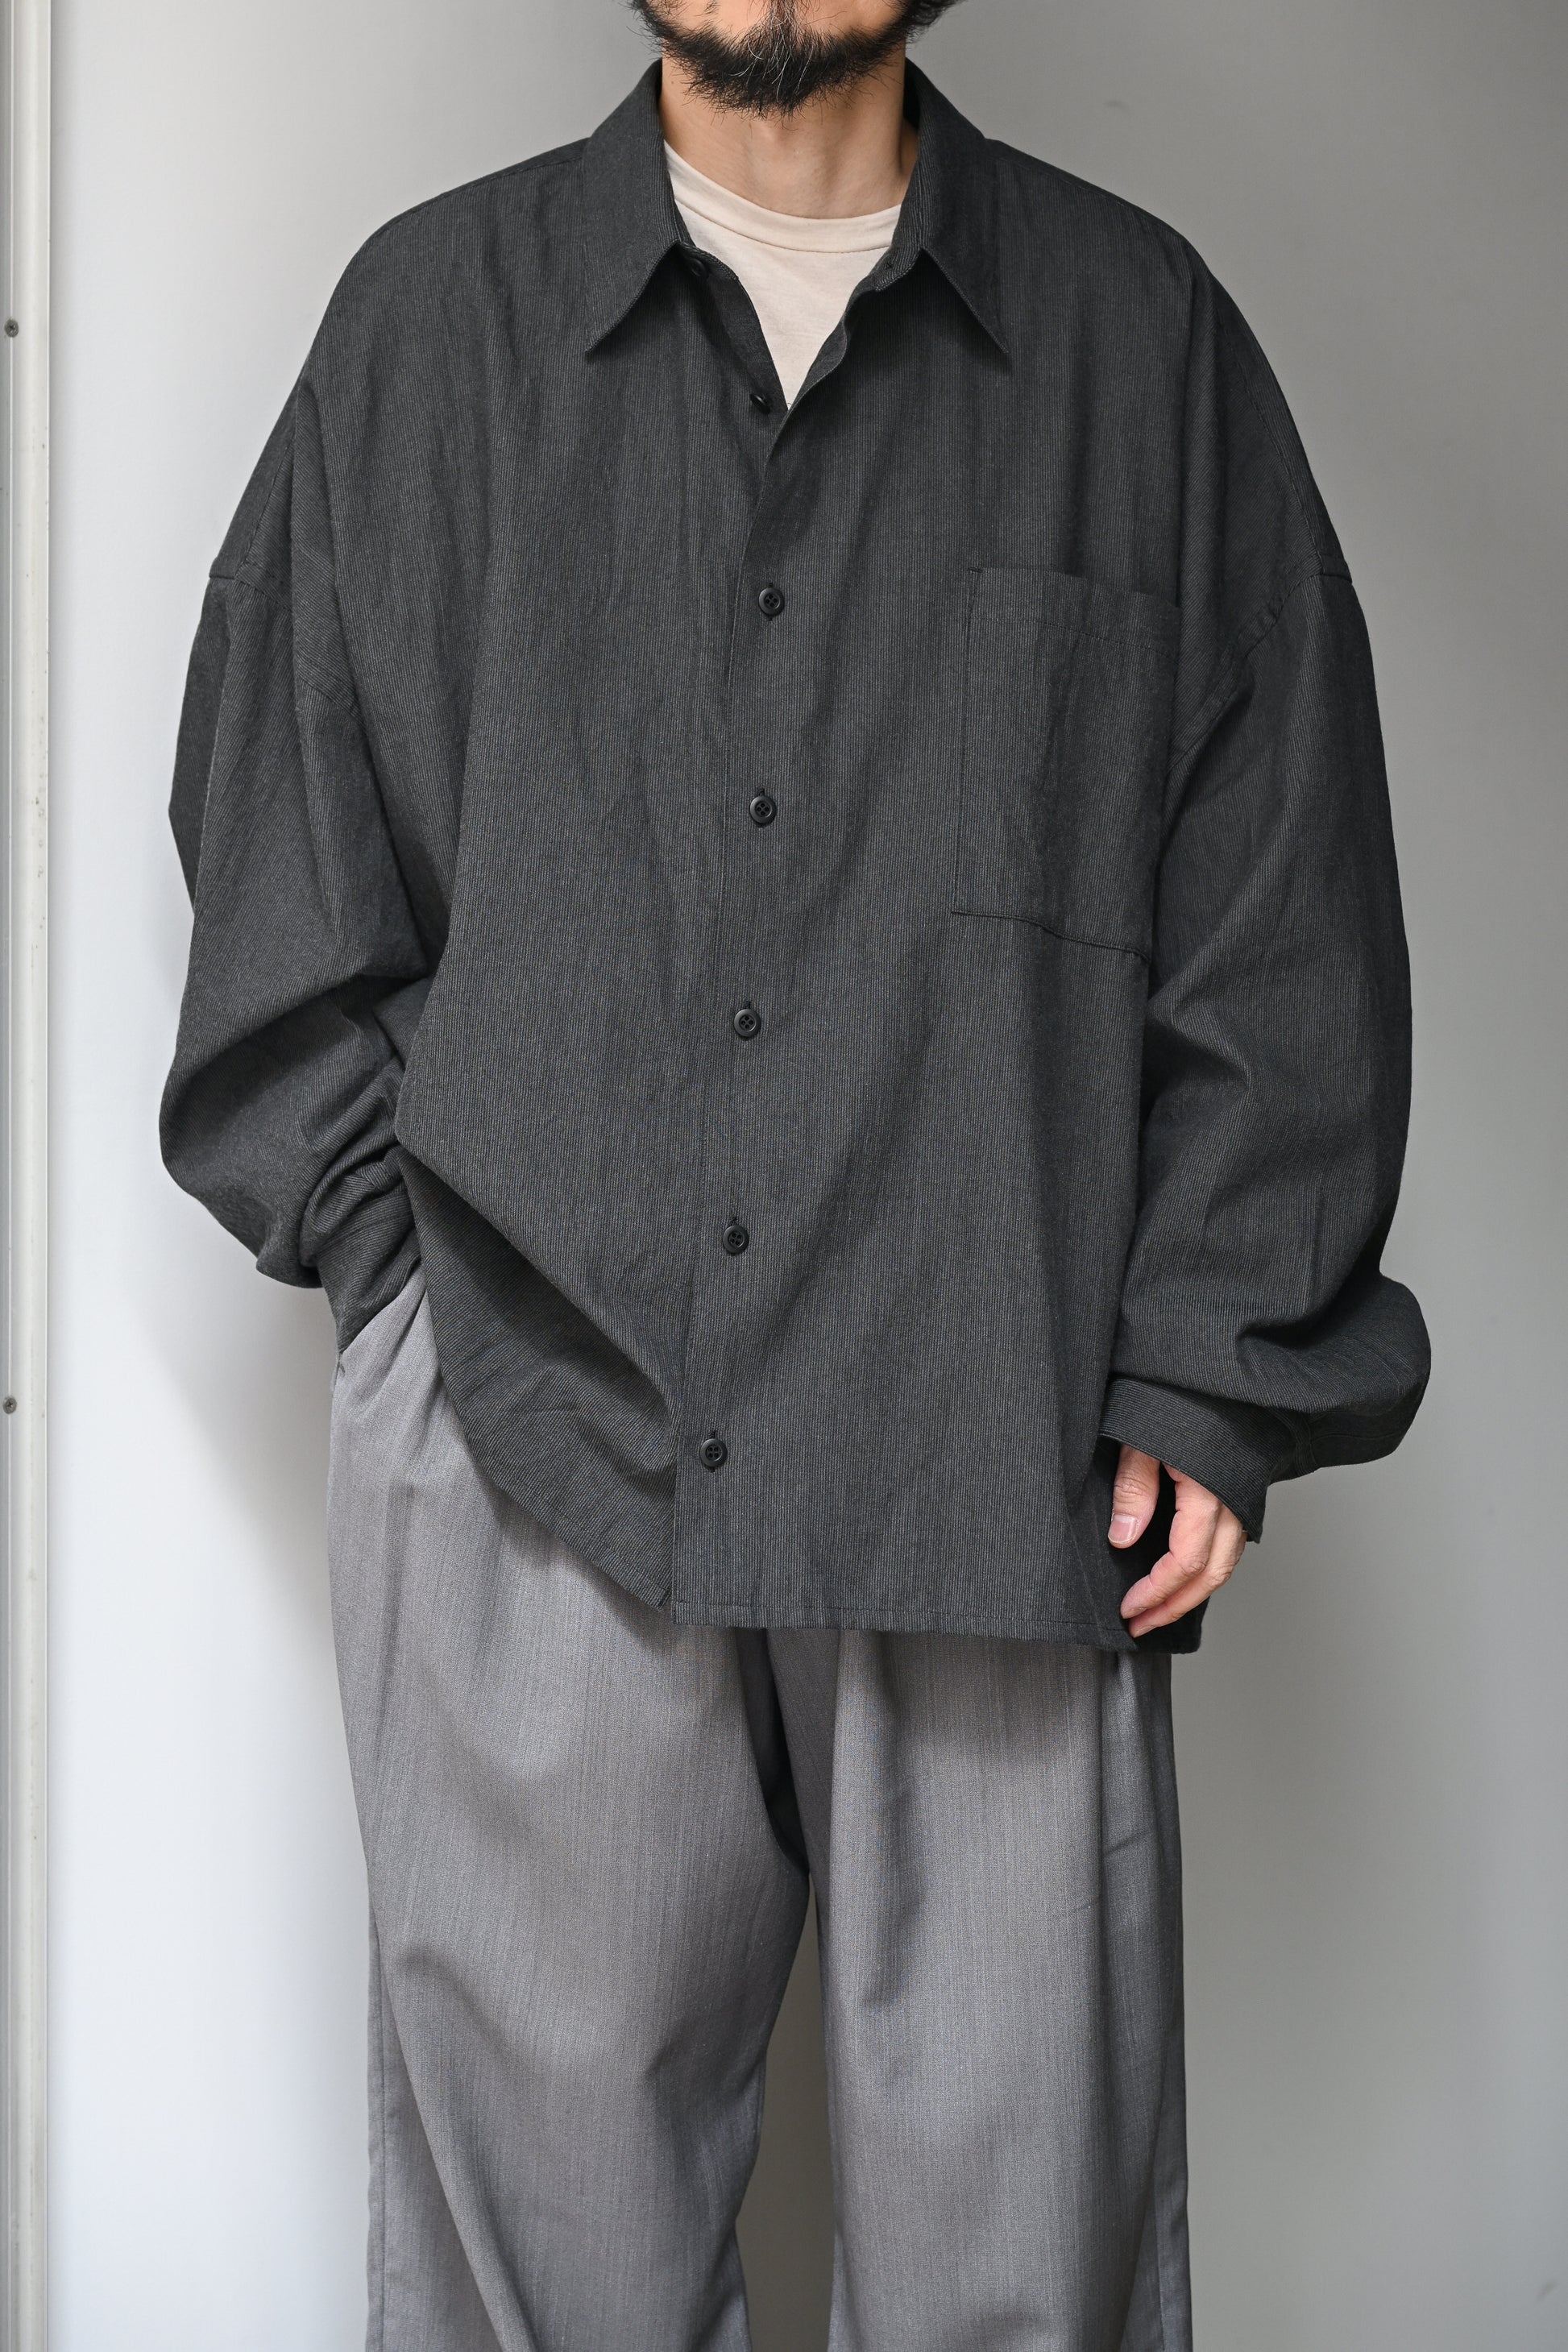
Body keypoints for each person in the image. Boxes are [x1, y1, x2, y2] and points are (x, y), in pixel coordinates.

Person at [160, 1, 1429, 2344]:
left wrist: (1208, 1363)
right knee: (538, 2294)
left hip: (998, 1438)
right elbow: (279, 854)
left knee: (1021, 2275)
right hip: (528, 1428)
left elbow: (1283, 896)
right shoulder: (427, 332)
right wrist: (403, 1299)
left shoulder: (1141, 349)